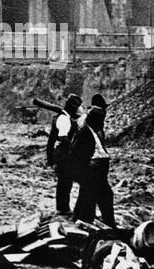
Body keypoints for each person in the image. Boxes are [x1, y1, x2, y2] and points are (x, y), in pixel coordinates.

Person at [72, 94, 115, 227]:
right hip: (92, 168)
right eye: (100, 119)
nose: (102, 121)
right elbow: (75, 154)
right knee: (91, 195)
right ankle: (84, 220)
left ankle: (106, 221)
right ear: (95, 119)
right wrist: (83, 169)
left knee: (100, 194)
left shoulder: (96, 133)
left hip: (99, 168)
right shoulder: (84, 133)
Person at [46, 93, 82, 215]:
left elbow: (52, 140)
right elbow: (62, 137)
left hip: (61, 153)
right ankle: (63, 208)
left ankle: (63, 207)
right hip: (63, 154)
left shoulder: (62, 117)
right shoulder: (64, 119)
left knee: (65, 181)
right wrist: (74, 148)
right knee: (65, 182)